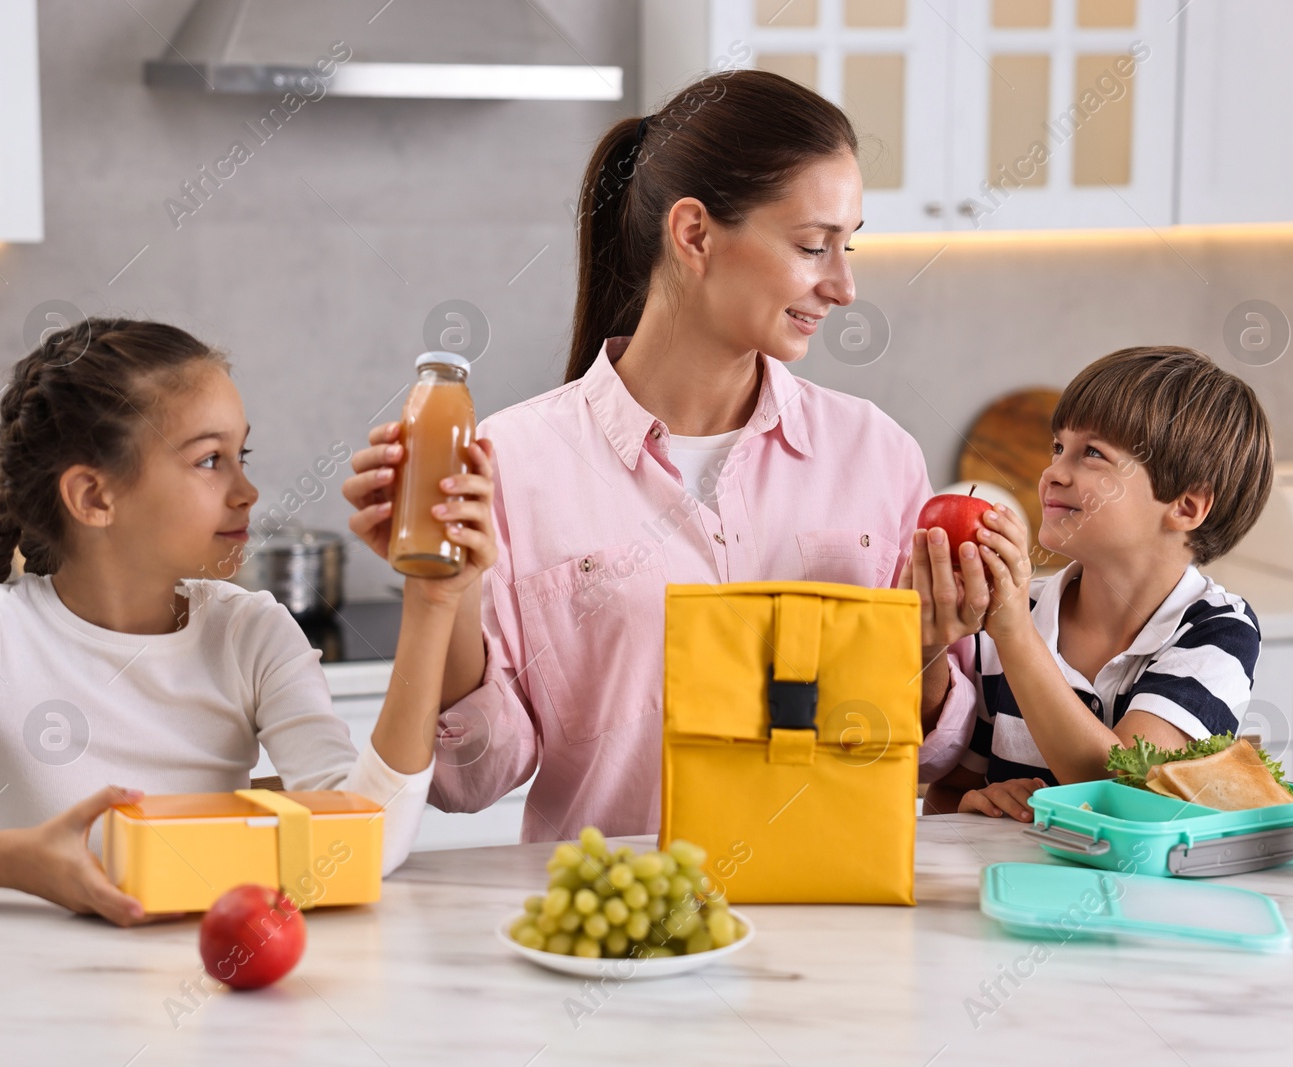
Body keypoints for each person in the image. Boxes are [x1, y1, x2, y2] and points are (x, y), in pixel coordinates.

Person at [343, 70, 985, 842]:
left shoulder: (876, 454)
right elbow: (466, 778)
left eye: (846, 246)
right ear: (693, 235)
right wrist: (446, 595)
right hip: (623, 932)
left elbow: (933, 755)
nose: (844, 286)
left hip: (834, 924)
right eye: (814, 246)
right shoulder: (511, 463)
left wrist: (920, 653)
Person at [0, 319, 496, 924]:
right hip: (38, 1001)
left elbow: (366, 842)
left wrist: (432, 605)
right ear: (94, 497)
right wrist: (14, 863)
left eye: (242, 453)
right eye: (209, 460)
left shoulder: (251, 632)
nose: (247, 492)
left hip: (226, 983)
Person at [925, 346, 1275, 821]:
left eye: (1092, 454)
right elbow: (947, 794)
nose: (1052, 473)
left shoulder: (1217, 631)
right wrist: (973, 803)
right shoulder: (1016, 611)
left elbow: (1125, 787)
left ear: (1186, 508)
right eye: (1057, 447)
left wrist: (1014, 635)